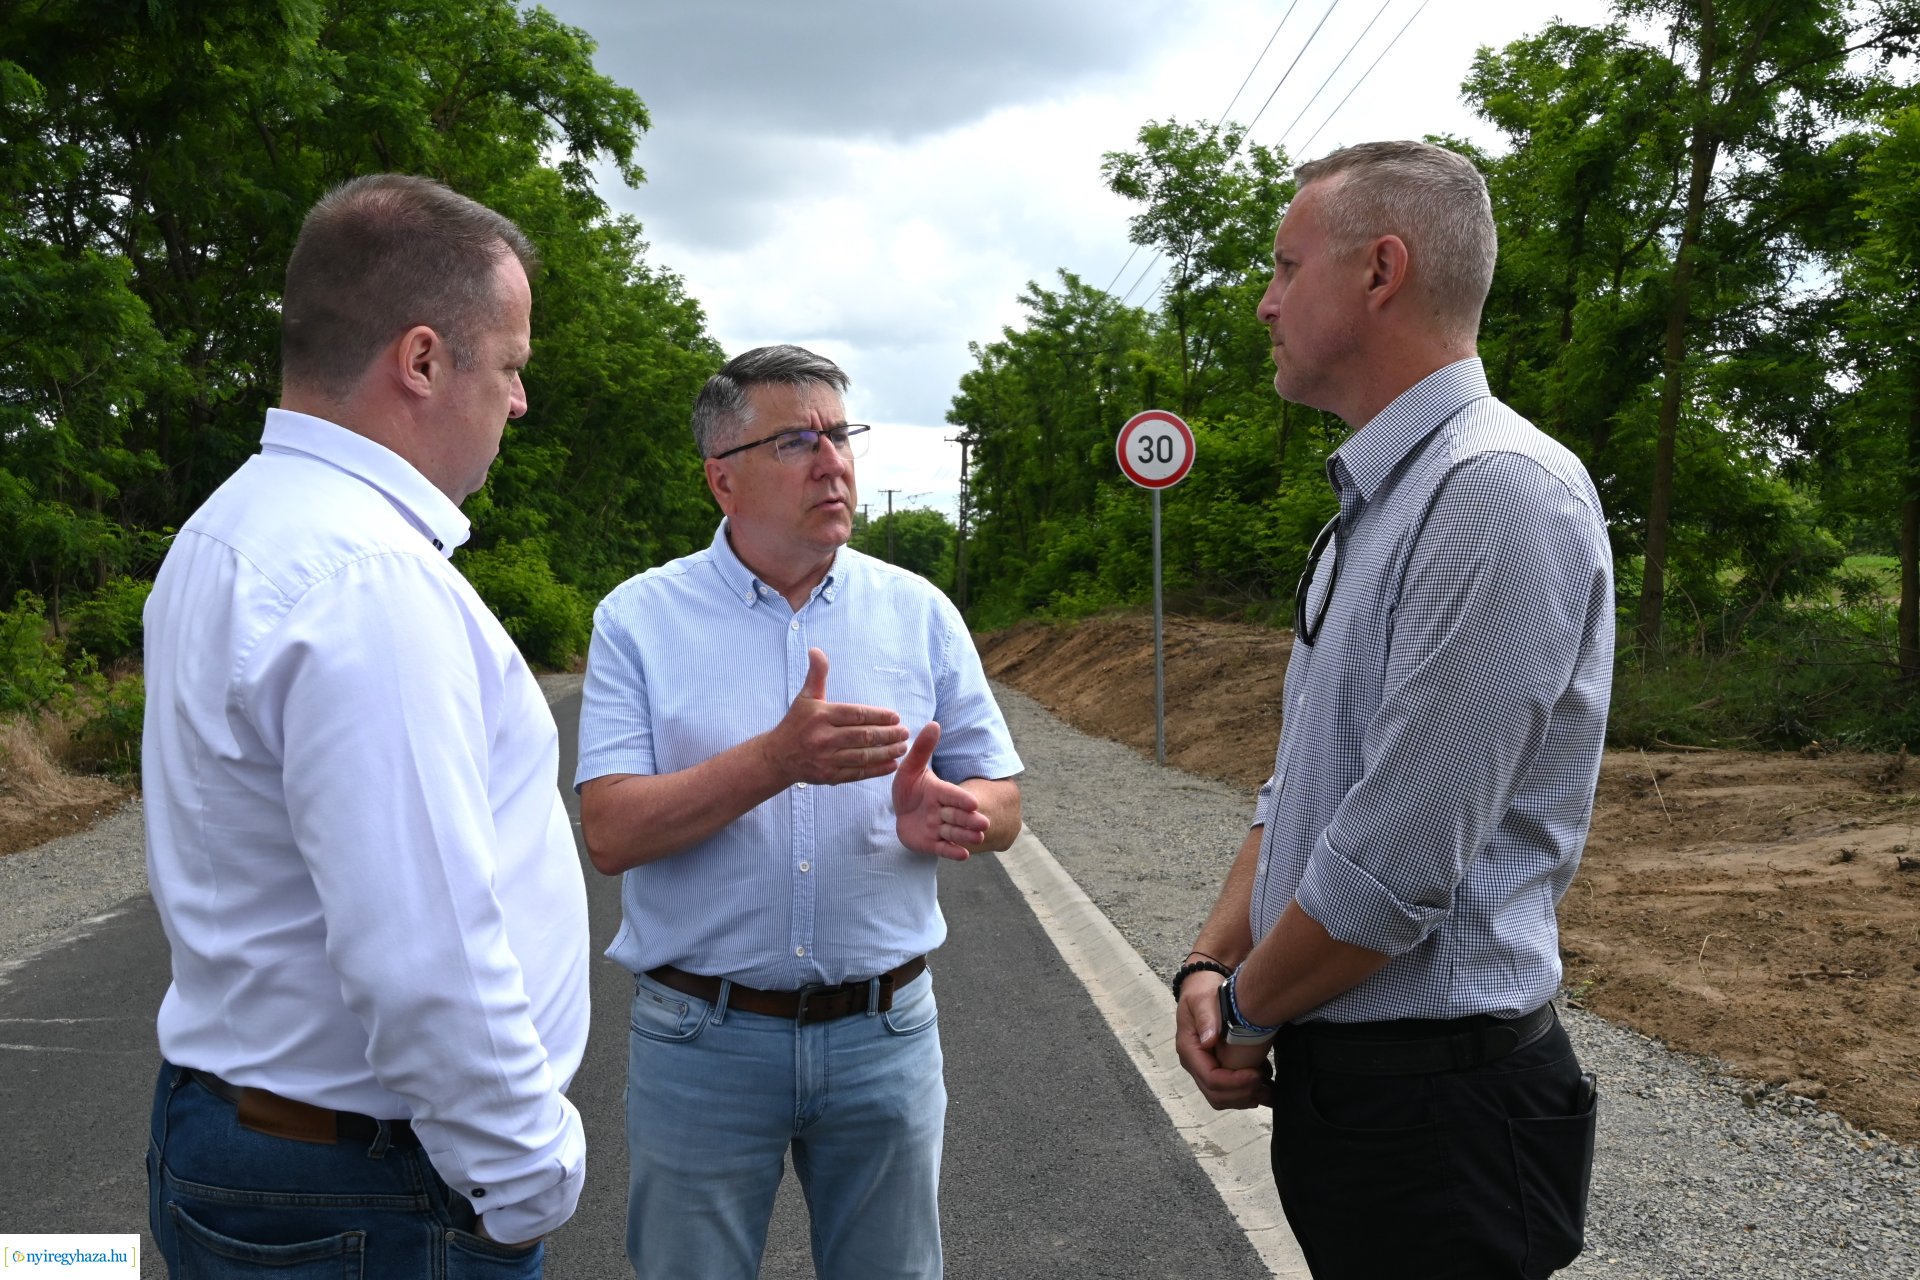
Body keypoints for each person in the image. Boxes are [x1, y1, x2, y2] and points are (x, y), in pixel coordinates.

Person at [1171, 140, 1613, 1279]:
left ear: (1380, 270)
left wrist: (1247, 1012)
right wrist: (1207, 963)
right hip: (1371, 1093)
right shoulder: (1385, 497)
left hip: (1441, 1107)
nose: (1265, 302)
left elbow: (1393, 866)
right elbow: (1303, 780)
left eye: (1284, 266)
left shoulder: (1496, 490)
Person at [143, 174, 587, 1276]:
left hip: (244, 1143)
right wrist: (527, 1177)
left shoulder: (228, 527)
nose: (521, 400)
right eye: (514, 363)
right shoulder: (368, 579)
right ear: (426, 358)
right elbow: (422, 949)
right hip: (369, 1195)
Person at [575, 343, 1023, 1280]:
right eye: (796, 441)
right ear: (722, 479)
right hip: (701, 1037)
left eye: (841, 435)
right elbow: (612, 831)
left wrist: (955, 811)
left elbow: (1004, 796)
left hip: (885, 1034)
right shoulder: (638, 618)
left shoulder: (920, 612)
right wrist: (777, 761)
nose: (835, 462)